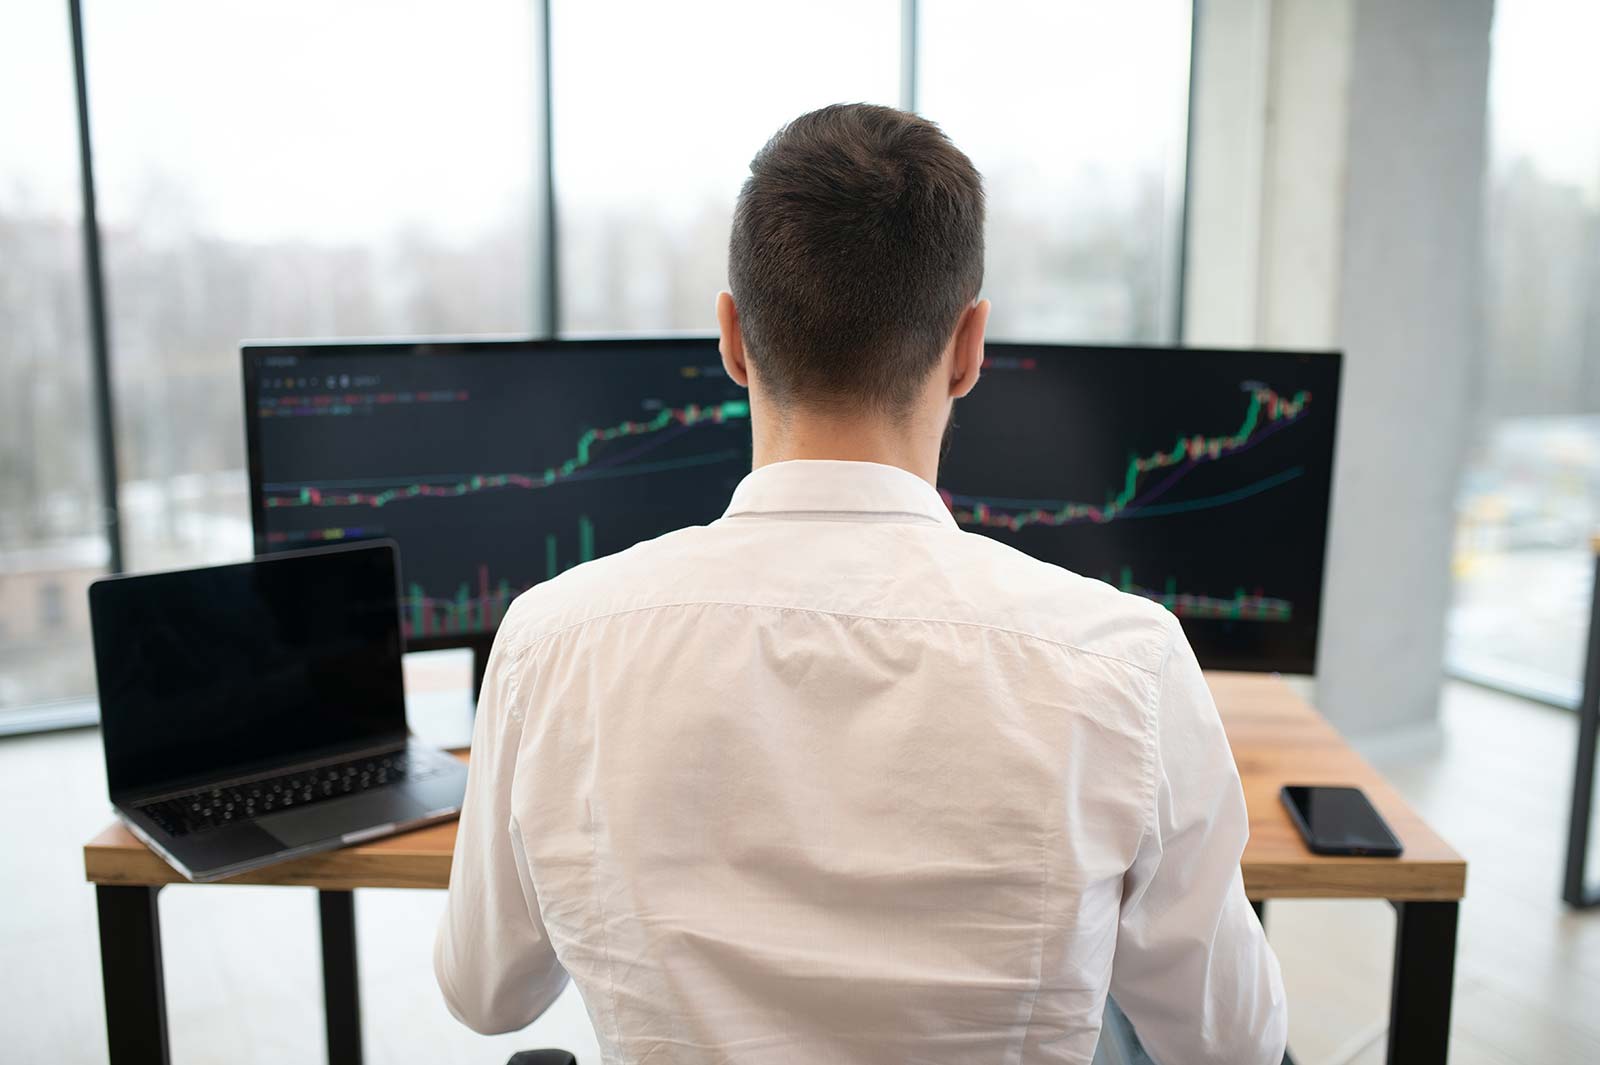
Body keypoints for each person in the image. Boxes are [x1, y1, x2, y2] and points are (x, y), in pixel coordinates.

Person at [435, 102, 1287, 1064]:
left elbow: (486, 995)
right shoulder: (1124, 664)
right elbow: (1233, 1046)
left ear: (732, 338)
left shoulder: (551, 641)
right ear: (970, 348)